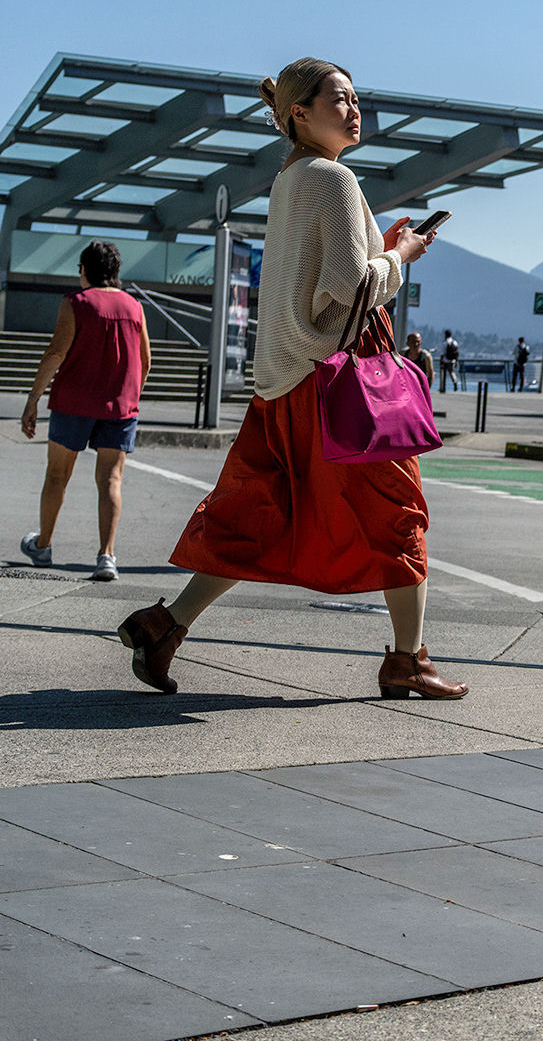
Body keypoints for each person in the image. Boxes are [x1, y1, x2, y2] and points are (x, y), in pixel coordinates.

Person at [112, 57, 463, 701]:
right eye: (340, 99)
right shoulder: (333, 178)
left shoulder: (292, 177)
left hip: (284, 378)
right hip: (341, 377)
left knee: (259, 512)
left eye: (357, 98)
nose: (354, 109)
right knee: (399, 510)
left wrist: (379, 246)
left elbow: (318, 276)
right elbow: (350, 288)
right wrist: (402, 258)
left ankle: (164, 626)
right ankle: (407, 661)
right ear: (299, 113)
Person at [17, 241, 150, 582]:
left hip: (73, 403)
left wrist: (33, 398)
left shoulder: (76, 303)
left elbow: (55, 354)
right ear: (116, 272)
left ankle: (43, 546)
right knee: (110, 480)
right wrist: (128, 394)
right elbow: (146, 360)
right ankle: (106, 556)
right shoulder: (135, 307)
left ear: (83, 270)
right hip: (120, 408)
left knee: (57, 476)